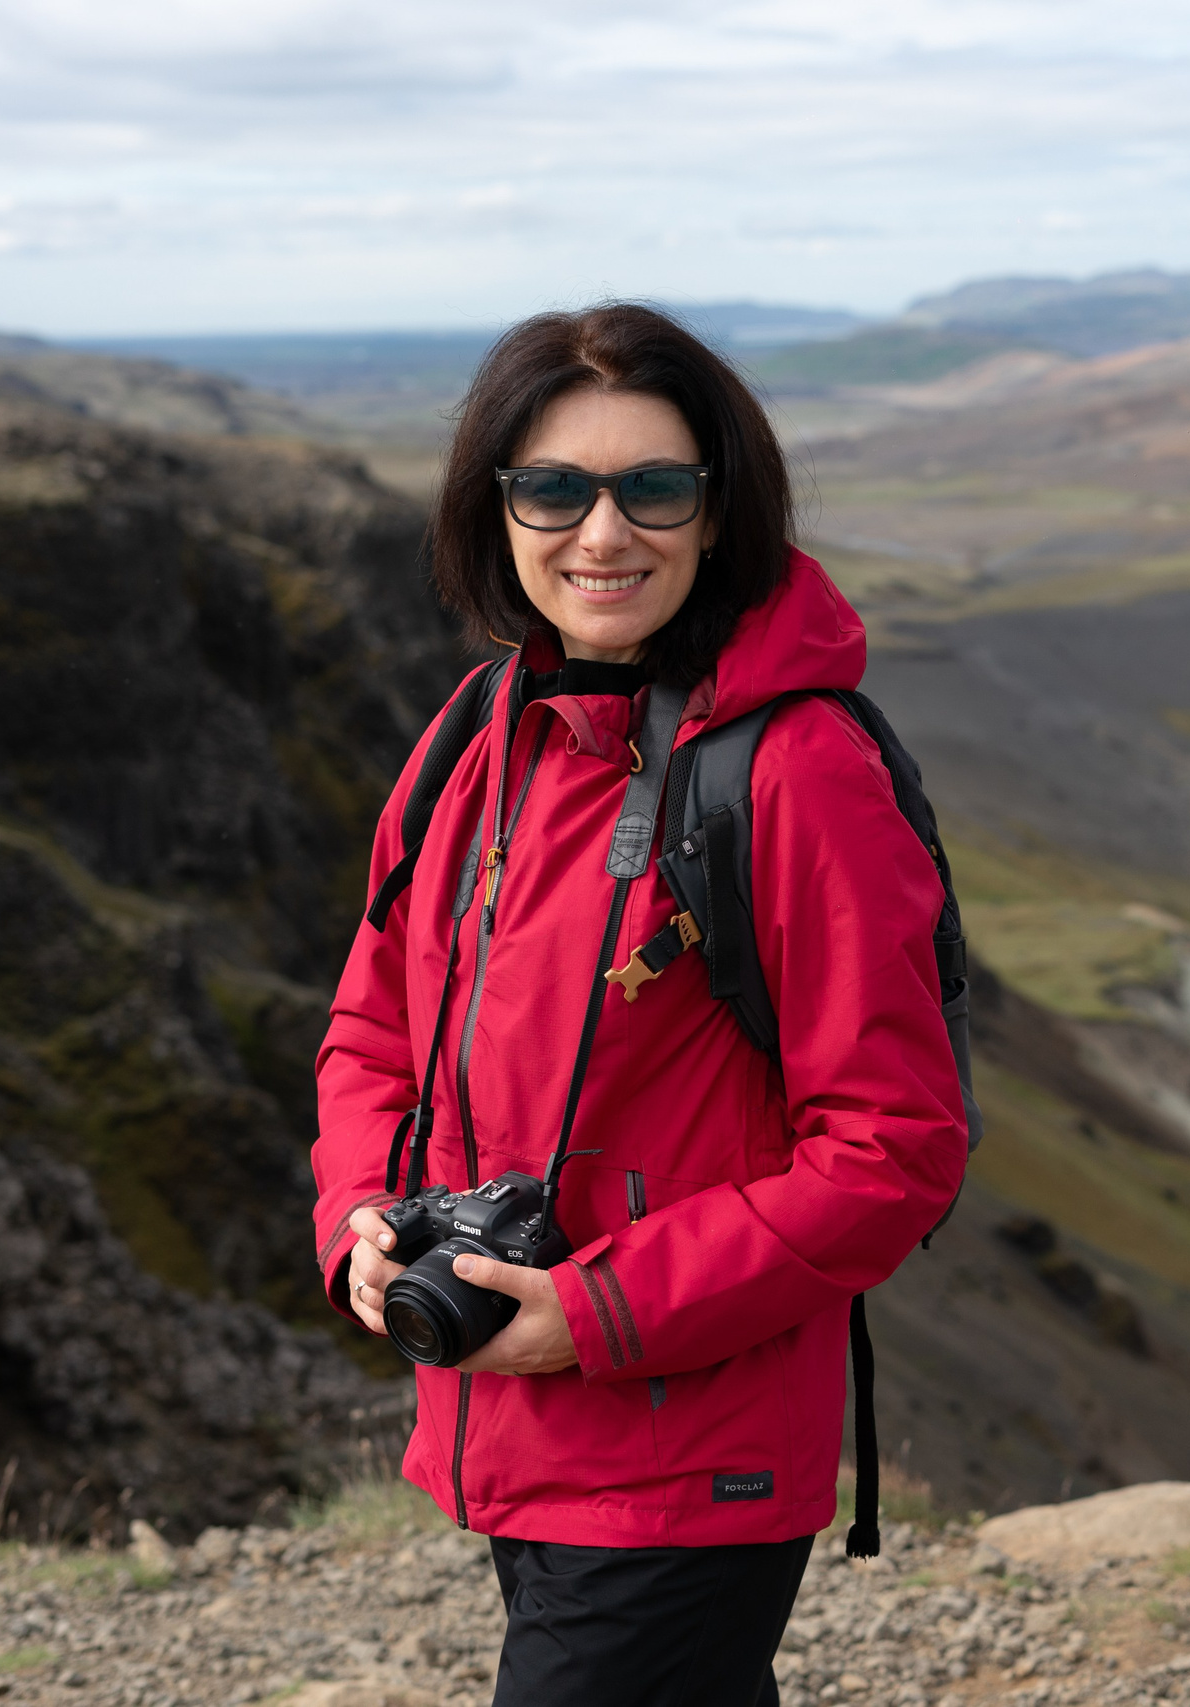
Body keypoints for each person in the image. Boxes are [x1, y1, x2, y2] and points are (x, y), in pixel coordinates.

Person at [309, 304, 969, 1707]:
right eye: (554, 488)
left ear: (719, 512)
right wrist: (360, 1220)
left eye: (654, 487)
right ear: (496, 510)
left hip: (685, 1459)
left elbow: (894, 1149)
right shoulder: (478, 737)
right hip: (517, 1421)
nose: (601, 533)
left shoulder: (796, 772)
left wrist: (599, 1313)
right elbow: (373, 1031)